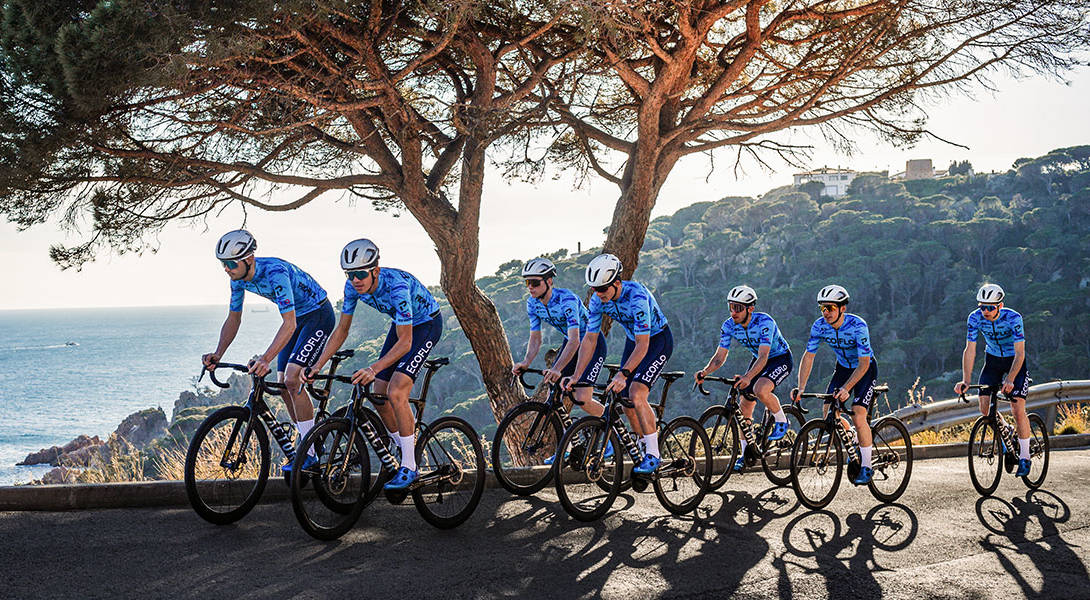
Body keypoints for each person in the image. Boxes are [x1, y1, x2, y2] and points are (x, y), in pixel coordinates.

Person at [304, 239, 443, 490]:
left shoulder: (397, 288)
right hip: (400, 324)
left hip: (426, 324)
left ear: (375, 271)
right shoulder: (351, 288)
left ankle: (410, 466)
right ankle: (404, 448)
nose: (355, 280)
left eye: (360, 274)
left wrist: (373, 368)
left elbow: (405, 343)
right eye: (350, 274)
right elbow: (341, 331)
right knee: (379, 394)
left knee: (396, 390)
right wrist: (318, 365)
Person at [202, 229, 334, 473]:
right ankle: (308, 442)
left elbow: (289, 323)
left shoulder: (275, 273)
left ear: (249, 259)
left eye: (231, 263)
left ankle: (309, 453)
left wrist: (265, 358)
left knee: (294, 379)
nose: (227, 269)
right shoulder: (237, 280)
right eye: (223, 264)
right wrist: (218, 353)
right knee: (283, 384)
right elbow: (234, 318)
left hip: (318, 315)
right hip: (298, 319)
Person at [564, 253, 672, 475]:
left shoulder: (637, 298)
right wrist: (576, 375)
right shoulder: (597, 300)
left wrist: (623, 374)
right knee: (624, 400)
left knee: (636, 393)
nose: (598, 293)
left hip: (657, 341)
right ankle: (641, 444)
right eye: (594, 288)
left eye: (602, 288)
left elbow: (644, 345)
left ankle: (654, 454)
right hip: (634, 341)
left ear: (616, 283)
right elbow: (590, 339)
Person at [510, 258, 609, 463]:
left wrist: (556, 368)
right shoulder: (533, 303)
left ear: (549, 282)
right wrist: (526, 362)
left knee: (582, 397)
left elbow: (575, 340)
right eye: (527, 283)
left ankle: (611, 433)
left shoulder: (567, 300)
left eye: (535, 283)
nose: (530, 288)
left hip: (591, 342)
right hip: (571, 341)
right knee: (555, 394)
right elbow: (535, 338)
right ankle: (567, 446)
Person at [694, 285, 793, 473]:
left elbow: (764, 356)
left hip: (779, 358)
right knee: (744, 405)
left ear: (750, 308)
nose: (733, 312)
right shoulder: (729, 325)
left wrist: (748, 377)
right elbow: (720, 357)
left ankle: (781, 420)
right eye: (730, 307)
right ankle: (746, 453)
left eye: (738, 308)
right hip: (759, 360)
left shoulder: (765, 322)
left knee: (760, 389)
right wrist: (705, 372)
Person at [792, 285, 878, 485]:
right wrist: (801, 387)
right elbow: (809, 356)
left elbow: (864, 363)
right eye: (822, 308)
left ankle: (866, 466)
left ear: (842, 308)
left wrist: (847, 388)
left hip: (865, 368)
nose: (826, 313)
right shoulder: (819, 326)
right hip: (843, 367)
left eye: (830, 308)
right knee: (828, 410)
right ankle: (852, 439)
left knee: (857, 413)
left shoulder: (858, 326)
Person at [953, 283, 1032, 476]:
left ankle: (1025, 456)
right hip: (993, 360)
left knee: (1017, 408)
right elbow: (970, 349)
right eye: (982, 307)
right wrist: (965, 380)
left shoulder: (1014, 318)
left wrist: (1011, 379)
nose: (986, 311)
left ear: (1000, 305)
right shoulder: (974, 318)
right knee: (985, 409)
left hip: (1014, 361)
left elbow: (1020, 353)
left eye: (990, 307)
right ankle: (1006, 432)